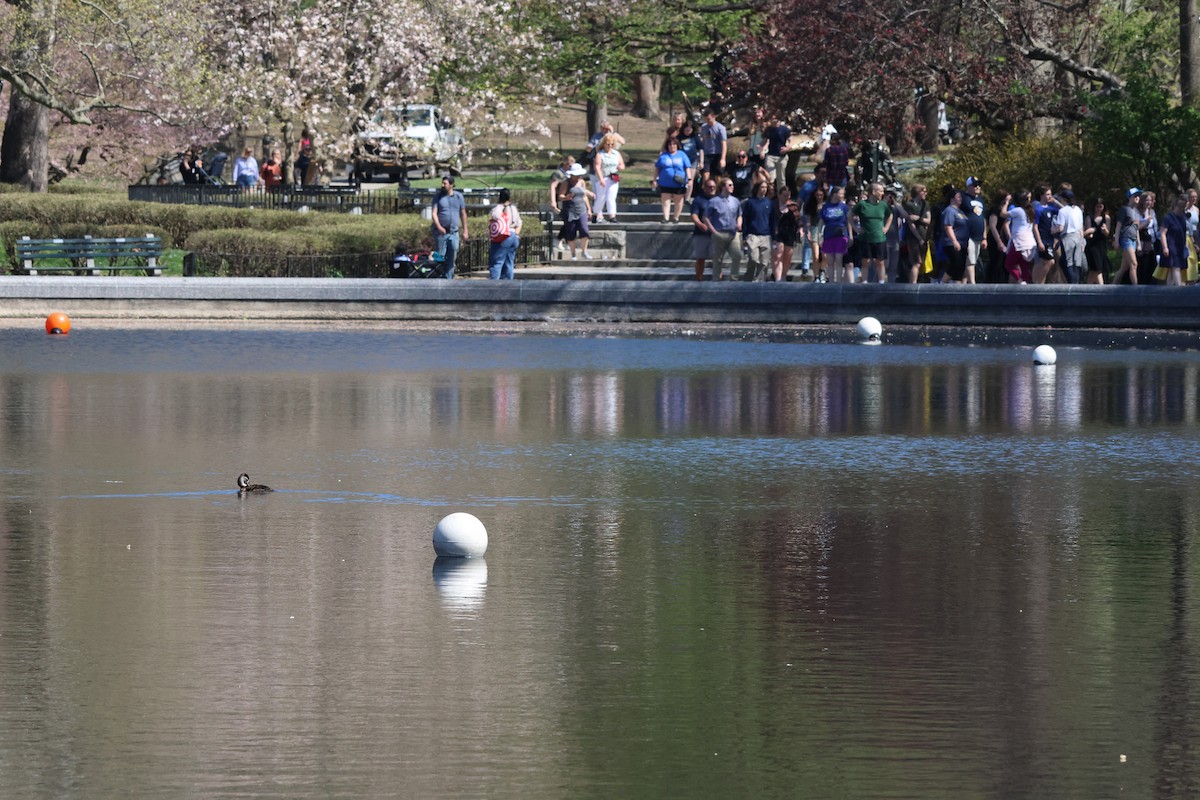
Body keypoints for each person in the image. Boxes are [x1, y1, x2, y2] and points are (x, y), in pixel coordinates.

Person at [852, 181, 893, 283]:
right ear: (874, 192)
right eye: (880, 191)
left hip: (879, 237)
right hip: (865, 237)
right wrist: (856, 228)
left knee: (880, 261)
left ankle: (881, 282)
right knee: (865, 261)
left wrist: (886, 227)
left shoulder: (883, 205)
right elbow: (849, 215)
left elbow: (890, 215)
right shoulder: (862, 204)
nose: (882, 193)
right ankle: (865, 282)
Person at [704, 176, 743, 280]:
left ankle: (734, 279)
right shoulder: (713, 201)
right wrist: (713, 230)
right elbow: (706, 217)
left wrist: (739, 224)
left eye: (733, 185)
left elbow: (739, 215)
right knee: (717, 259)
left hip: (733, 233)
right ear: (723, 187)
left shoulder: (735, 201)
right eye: (729, 185)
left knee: (737, 256)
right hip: (719, 232)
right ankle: (716, 279)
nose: (732, 187)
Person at [431, 175, 468, 278]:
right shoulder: (438, 197)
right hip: (441, 233)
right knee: (440, 258)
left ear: (451, 185)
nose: (442, 185)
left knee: (452, 258)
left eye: (445, 183)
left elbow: (463, 213)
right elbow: (434, 213)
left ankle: (449, 280)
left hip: (453, 232)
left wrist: (465, 230)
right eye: (442, 183)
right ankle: (439, 279)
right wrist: (439, 227)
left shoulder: (459, 197)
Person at [741, 180, 775, 281]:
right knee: (753, 259)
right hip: (753, 235)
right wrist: (744, 236)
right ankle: (748, 278)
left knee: (765, 262)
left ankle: (759, 281)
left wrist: (774, 237)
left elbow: (772, 221)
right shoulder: (750, 202)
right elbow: (745, 220)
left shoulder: (769, 202)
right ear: (757, 188)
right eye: (762, 187)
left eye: (765, 187)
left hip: (766, 235)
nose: (764, 189)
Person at [653, 138, 692, 223]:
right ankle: (665, 218)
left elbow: (687, 168)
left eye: (674, 144)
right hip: (665, 183)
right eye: (670, 144)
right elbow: (657, 168)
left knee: (678, 201)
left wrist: (689, 179)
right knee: (665, 201)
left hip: (679, 182)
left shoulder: (682, 155)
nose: (672, 146)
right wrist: (655, 179)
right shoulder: (663, 156)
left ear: (677, 145)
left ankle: (676, 217)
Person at [820, 185, 853, 283]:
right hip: (829, 234)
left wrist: (850, 235)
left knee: (839, 259)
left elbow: (849, 221)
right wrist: (819, 235)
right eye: (841, 193)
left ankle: (838, 282)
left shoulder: (844, 207)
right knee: (830, 260)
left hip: (841, 234)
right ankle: (831, 281)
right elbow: (821, 222)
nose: (842, 195)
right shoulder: (826, 206)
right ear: (834, 194)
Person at [487, 188, 522, 280]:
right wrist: (516, 234)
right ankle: (508, 285)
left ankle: (493, 285)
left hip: (503, 236)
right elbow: (519, 222)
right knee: (509, 263)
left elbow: (495, 218)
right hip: (514, 235)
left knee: (497, 262)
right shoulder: (514, 208)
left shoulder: (498, 208)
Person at [1112, 187, 1145, 285]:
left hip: (1134, 239)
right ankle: (1136, 288)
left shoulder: (1136, 212)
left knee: (1124, 267)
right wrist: (1117, 240)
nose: (1137, 198)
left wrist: (1138, 243)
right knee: (1134, 264)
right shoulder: (1124, 209)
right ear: (1130, 197)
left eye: (1138, 196)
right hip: (1126, 239)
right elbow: (1118, 226)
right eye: (1135, 196)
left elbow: (1136, 229)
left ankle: (1112, 286)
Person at [562, 164, 594, 261]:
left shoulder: (581, 182)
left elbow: (584, 196)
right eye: (576, 175)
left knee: (584, 230)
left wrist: (589, 209)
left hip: (582, 209)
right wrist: (566, 197)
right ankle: (573, 254)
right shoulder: (566, 183)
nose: (578, 177)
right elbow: (560, 196)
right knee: (571, 232)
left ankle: (584, 252)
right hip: (570, 210)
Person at [1004, 190, 1036, 284]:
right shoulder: (1031, 211)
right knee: (1024, 265)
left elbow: (1003, 213)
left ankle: (1020, 280)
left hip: (1019, 241)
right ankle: (1027, 282)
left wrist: (1006, 202)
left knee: (1008, 264)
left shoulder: (1018, 210)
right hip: (1029, 242)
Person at [1053, 189, 1085, 284]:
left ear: (1063, 199)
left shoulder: (1062, 211)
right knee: (1077, 263)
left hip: (1067, 237)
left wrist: (1052, 230)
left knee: (1068, 263)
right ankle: (1077, 283)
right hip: (1078, 237)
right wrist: (1082, 240)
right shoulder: (1078, 210)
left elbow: (1061, 228)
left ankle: (1072, 284)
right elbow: (1080, 227)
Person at [592, 133, 625, 223]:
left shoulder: (616, 154)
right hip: (604, 177)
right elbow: (597, 167)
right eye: (608, 144)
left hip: (613, 178)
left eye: (611, 144)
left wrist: (620, 167)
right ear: (604, 144)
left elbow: (622, 164)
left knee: (611, 197)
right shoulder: (600, 154)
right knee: (601, 199)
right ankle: (595, 213)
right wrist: (601, 179)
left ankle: (612, 216)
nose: (609, 146)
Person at [902, 184, 931, 283]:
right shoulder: (909, 205)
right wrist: (919, 239)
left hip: (924, 234)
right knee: (916, 262)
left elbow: (928, 220)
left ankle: (918, 281)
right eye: (923, 191)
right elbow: (911, 224)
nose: (925, 193)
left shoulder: (925, 204)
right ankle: (912, 284)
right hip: (913, 237)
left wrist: (919, 218)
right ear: (918, 192)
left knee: (922, 263)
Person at [690, 177, 717, 280]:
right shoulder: (698, 200)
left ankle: (718, 281)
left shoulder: (719, 199)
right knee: (700, 258)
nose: (712, 189)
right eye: (710, 187)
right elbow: (694, 215)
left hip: (716, 234)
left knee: (717, 259)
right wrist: (700, 224)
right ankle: (699, 280)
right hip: (701, 233)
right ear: (704, 188)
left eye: (714, 187)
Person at [940, 190, 970, 283]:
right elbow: (948, 227)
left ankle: (957, 289)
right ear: (952, 198)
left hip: (963, 244)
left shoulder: (960, 212)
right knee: (955, 264)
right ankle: (940, 285)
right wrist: (954, 241)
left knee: (960, 268)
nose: (960, 199)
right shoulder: (949, 211)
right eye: (958, 197)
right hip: (952, 243)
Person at [773, 187, 802, 282]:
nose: (786, 197)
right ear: (779, 195)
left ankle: (783, 276)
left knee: (788, 257)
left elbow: (798, 220)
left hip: (790, 232)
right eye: (784, 195)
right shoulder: (774, 205)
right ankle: (778, 278)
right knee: (778, 256)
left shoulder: (793, 206)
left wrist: (801, 229)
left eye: (788, 195)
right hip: (778, 233)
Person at [962, 177, 987, 284]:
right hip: (968, 234)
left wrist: (985, 237)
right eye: (974, 185)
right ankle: (973, 284)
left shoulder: (980, 200)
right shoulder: (964, 198)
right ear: (968, 186)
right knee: (970, 261)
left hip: (979, 235)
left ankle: (962, 285)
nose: (977, 187)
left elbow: (983, 218)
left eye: (978, 185)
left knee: (972, 261)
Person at [1159, 194, 1188, 286]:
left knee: (1172, 270)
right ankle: (1179, 289)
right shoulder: (1168, 217)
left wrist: (1186, 246)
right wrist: (1165, 247)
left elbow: (1184, 233)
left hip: (1180, 246)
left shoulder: (1183, 218)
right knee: (1176, 267)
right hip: (1171, 245)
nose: (1182, 208)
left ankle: (1169, 291)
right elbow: (1162, 233)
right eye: (1181, 205)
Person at [549, 156, 576, 254]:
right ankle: (559, 239)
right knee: (568, 221)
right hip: (561, 200)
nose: (570, 166)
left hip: (569, 201)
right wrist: (553, 201)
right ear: (565, 164)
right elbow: (553, 187)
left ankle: (562, 240)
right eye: (569, 164)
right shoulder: (558, 174)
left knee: (570, 221)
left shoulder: (571, 174)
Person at [1083, 198, 1111, 285]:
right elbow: (1087, 233)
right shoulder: (1089, 217)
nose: (1099, 209)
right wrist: (1091, 231)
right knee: (1097, 268)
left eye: (1101, 207)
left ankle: (1087, 287)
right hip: (1092, 246)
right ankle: (1101, 288)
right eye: (1097, 207)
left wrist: (1105, 230)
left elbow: (1108, 233)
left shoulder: (1106, 218)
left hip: (1101, 245)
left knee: (1094, 270)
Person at [802, 184, 827, 281]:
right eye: (817, 195)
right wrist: (807, 231)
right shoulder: (811, 204)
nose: (819, 197)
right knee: (815, 255)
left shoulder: (826, 205)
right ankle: (816, 276)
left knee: (825, 255)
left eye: (821, 195)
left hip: (825, 229)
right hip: (813, 229)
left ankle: (822, 270)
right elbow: (808, 220)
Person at [986, 191, 1012, 283]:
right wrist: (999, 241)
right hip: (995, 238)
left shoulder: (1006, 210)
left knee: (1004, 263)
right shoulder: (995, 210)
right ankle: (990, 282)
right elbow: (992, 226)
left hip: (1004, 238)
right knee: (995, 262)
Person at [763, 115, 791, 190]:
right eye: (772, 118)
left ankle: (781, 197)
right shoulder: (768, 129)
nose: (773, 120)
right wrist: (761, 148)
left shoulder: (785, 129)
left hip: (782, 157)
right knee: (770, 177)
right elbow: (765, 141)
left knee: (781, 178)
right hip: (770, 156)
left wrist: (787, 148)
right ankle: (770, 195)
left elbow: (791, 140)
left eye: (775, 118)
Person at [699, 108, 728, 177]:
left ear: (713, 117)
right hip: (707, 154)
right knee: (705, 175)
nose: (707, 121)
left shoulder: (720, 128)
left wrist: (723, 159)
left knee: (718, 176)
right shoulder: (704, 127)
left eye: (709, 119)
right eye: (706, 119)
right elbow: (703, 141)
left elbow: (724, 144)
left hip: (717, 154)